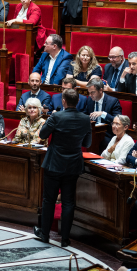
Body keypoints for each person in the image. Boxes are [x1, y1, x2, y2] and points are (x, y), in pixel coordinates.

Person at [34, 88, 91, 247]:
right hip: (72, 166)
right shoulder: (85, 119)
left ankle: (44, 234)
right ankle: (65, 239)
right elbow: (87, 143)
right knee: (68, 202)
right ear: (78, 101)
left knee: (49, 200)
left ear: (63, 101)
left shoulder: (56, 116)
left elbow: (43, 134)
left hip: (54, 164)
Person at [84, 76, 123, 144]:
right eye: (89, 92)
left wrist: (103, 114)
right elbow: (85, 114)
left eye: (92, 92)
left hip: (107, 134)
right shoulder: (90, 100)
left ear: (101, 90)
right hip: (92, 132)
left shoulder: (113, 101)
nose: (90, 95)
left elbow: (118, 120)